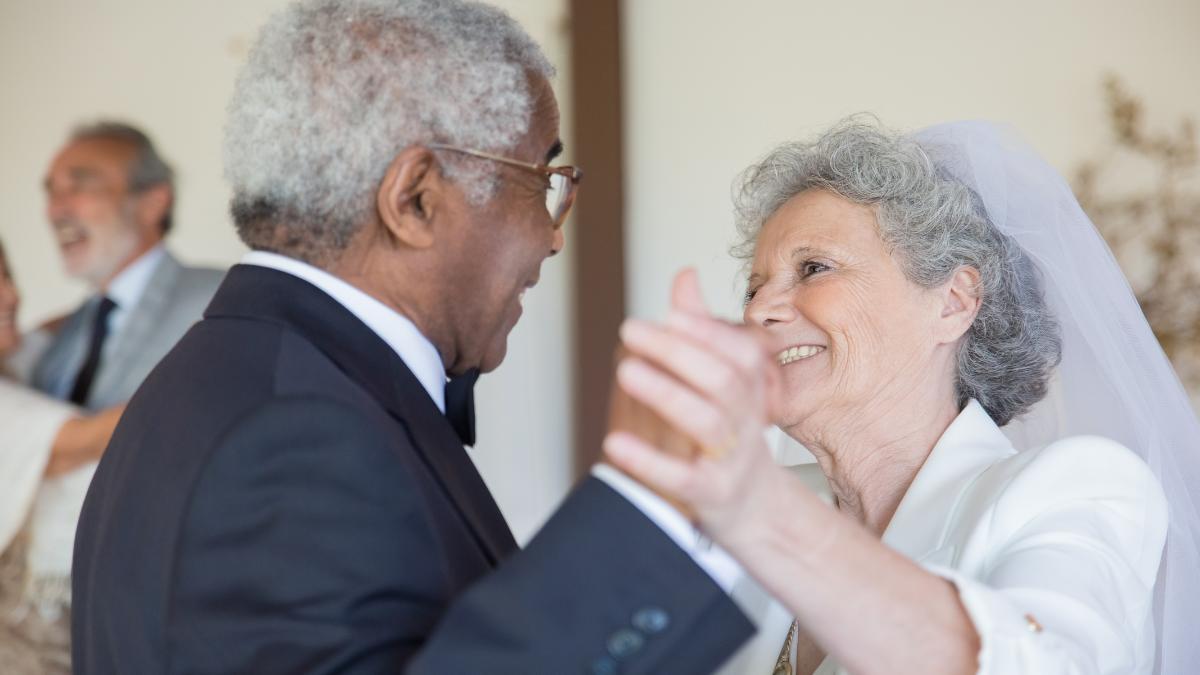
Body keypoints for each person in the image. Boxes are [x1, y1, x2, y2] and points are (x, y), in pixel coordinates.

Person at [72, 1, 756, 673]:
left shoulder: (224, 378)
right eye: (541, 179)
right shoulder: (295, 435)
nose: (553, 237)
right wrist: (650, 513)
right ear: (416, 200)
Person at [606, 118, 1200, 674]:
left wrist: (760, 514)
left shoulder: (1077, 486)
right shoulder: (746, 502)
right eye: (754, 288)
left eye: (813, 268)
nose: (760, 310)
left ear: (954, 302)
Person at [32, 121, 223, 411]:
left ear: (153, 203)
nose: (55, 210)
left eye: (79, 186)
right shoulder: (60, 336)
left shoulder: (219, 302)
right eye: (52, 192)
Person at [0, 238, 123, 674]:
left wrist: (117, 296)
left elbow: (49, 330)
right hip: (32, 644)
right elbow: (89, 438)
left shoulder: (20, 357)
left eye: (8, 275)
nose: (12, 294)